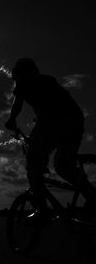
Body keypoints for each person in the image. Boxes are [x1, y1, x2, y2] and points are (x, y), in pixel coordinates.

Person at [5, 58, 96, 223]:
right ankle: (92, 197)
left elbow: (17, 104)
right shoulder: (48, 82)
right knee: (63, 166)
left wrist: (12, 120)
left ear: (19, 73)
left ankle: (42, 210)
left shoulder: (24, 81)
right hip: (75, 121)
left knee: (33, 164)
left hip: (52, 121)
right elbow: (51, 104)